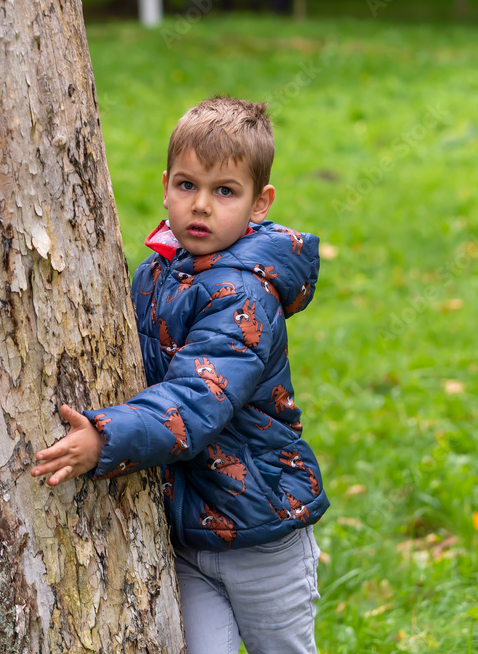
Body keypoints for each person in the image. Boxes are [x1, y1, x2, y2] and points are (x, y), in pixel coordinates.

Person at [32, 96, 329, 654]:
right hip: (188, 536)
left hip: (263, 532)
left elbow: (199, 398)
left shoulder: (243, 293)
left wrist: (107, 436)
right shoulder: (157, 274)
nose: (201, 206)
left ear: (259, 203)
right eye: (188, 185)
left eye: (225, 191)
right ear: (166, 185)